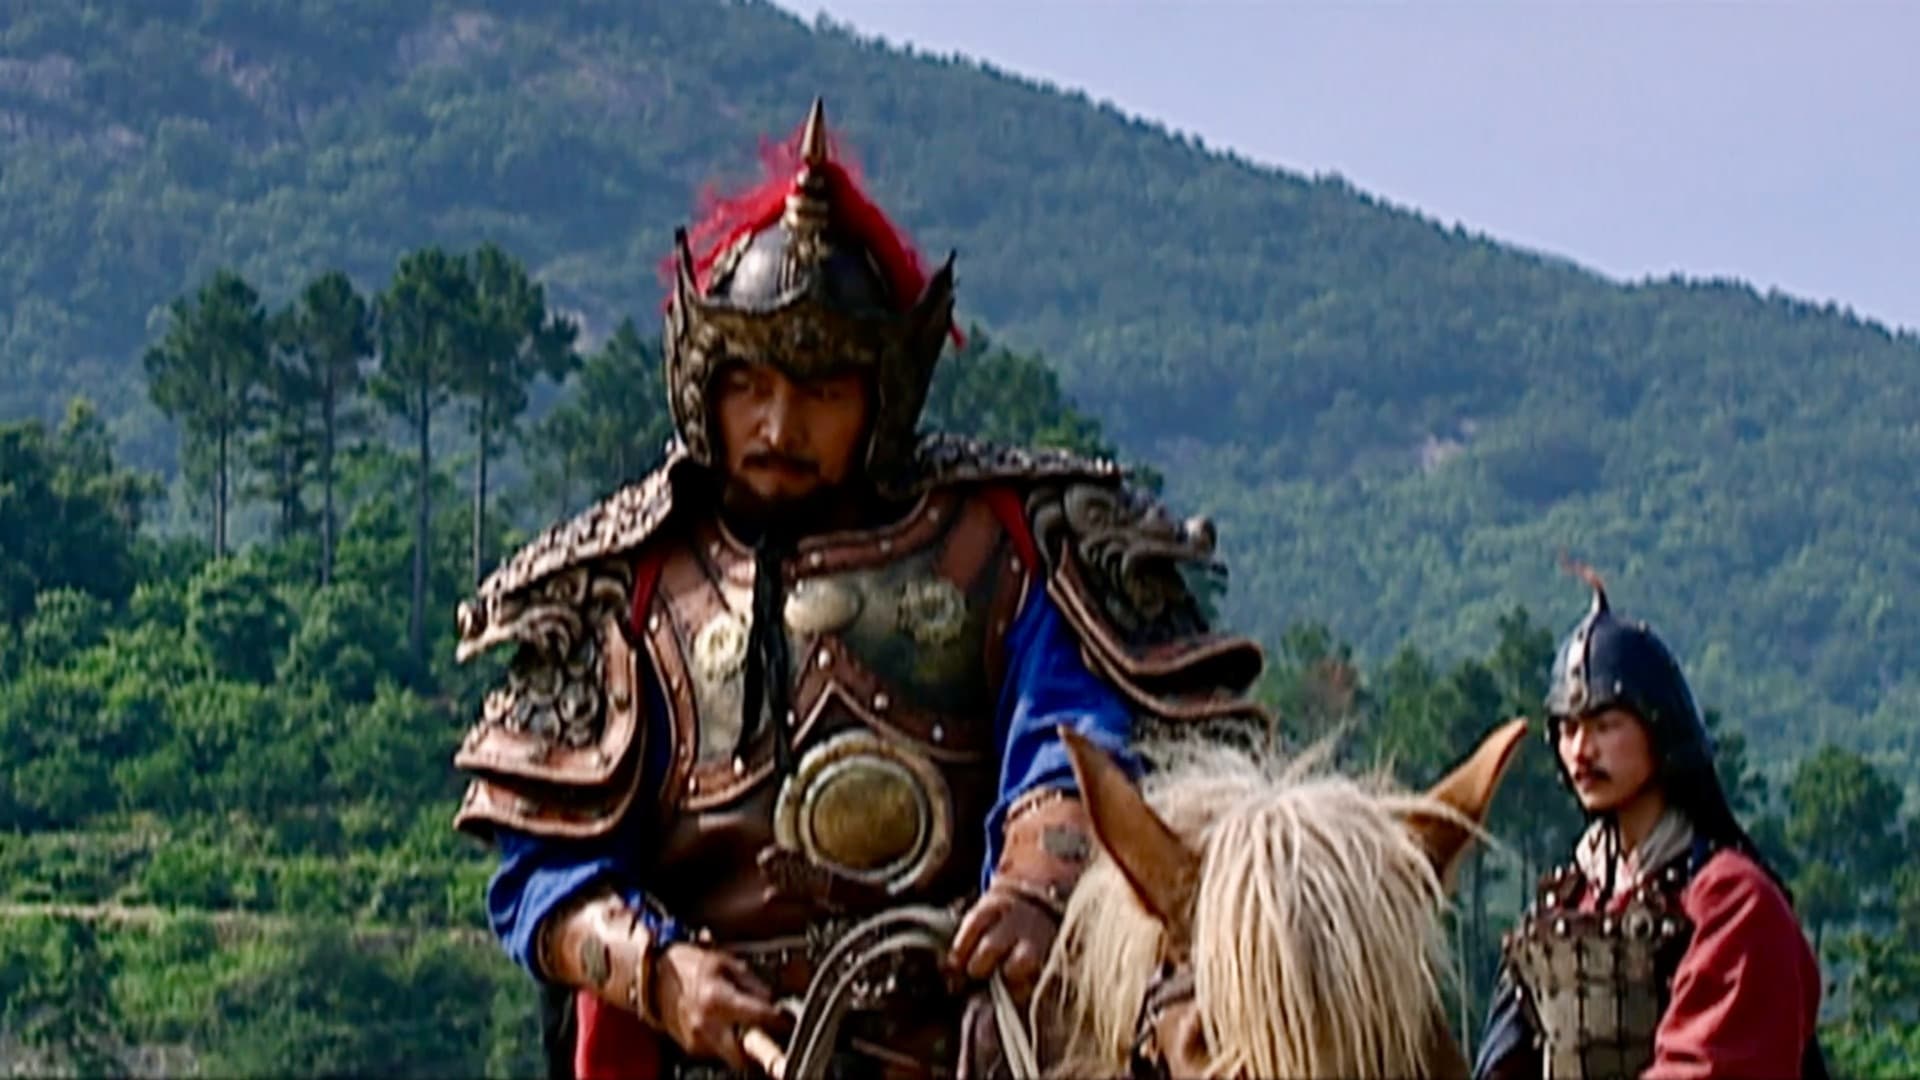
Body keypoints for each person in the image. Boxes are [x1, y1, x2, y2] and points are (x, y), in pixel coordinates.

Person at [448, 98, 1266, 1080]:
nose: (779, 427)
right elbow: (543, 872)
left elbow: (1073, 742)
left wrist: (1034, 894)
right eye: (752, 387)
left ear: (880, 397)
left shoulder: (999, 551)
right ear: (706, 384)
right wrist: (663, 974)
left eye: (822, 392)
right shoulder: (629, 592)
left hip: (969, 1047)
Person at [1473, 568, 1828, 1080]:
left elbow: (1708, 1069)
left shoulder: (1733, 902)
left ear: (1657, 728)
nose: (1581, 750)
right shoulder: (1563, 909)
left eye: (1605, 725)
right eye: (1568, 729)